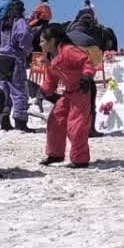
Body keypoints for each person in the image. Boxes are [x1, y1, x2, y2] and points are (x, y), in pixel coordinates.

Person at [37, 24, 96, 167]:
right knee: (55, 119)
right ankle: (55, 154)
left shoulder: (68, 50)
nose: (40, 44)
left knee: (76, 125)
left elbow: (86, 61)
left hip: (83, 89)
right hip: (69, 92)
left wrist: (87, 76)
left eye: (43, 41)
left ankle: (80, 159)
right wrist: (45, 91)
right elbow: (52, 77)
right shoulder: (52, 56)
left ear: (52, 40)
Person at [0, 0, 38, 133]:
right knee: (19, 91)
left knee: (4, 90)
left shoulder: (1, 23)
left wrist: (0, 46)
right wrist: (25, 51)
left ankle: (4, 122)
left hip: (1, 59)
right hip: (15, 59)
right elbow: (24, 37)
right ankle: (20, 122)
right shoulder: (19, 22)